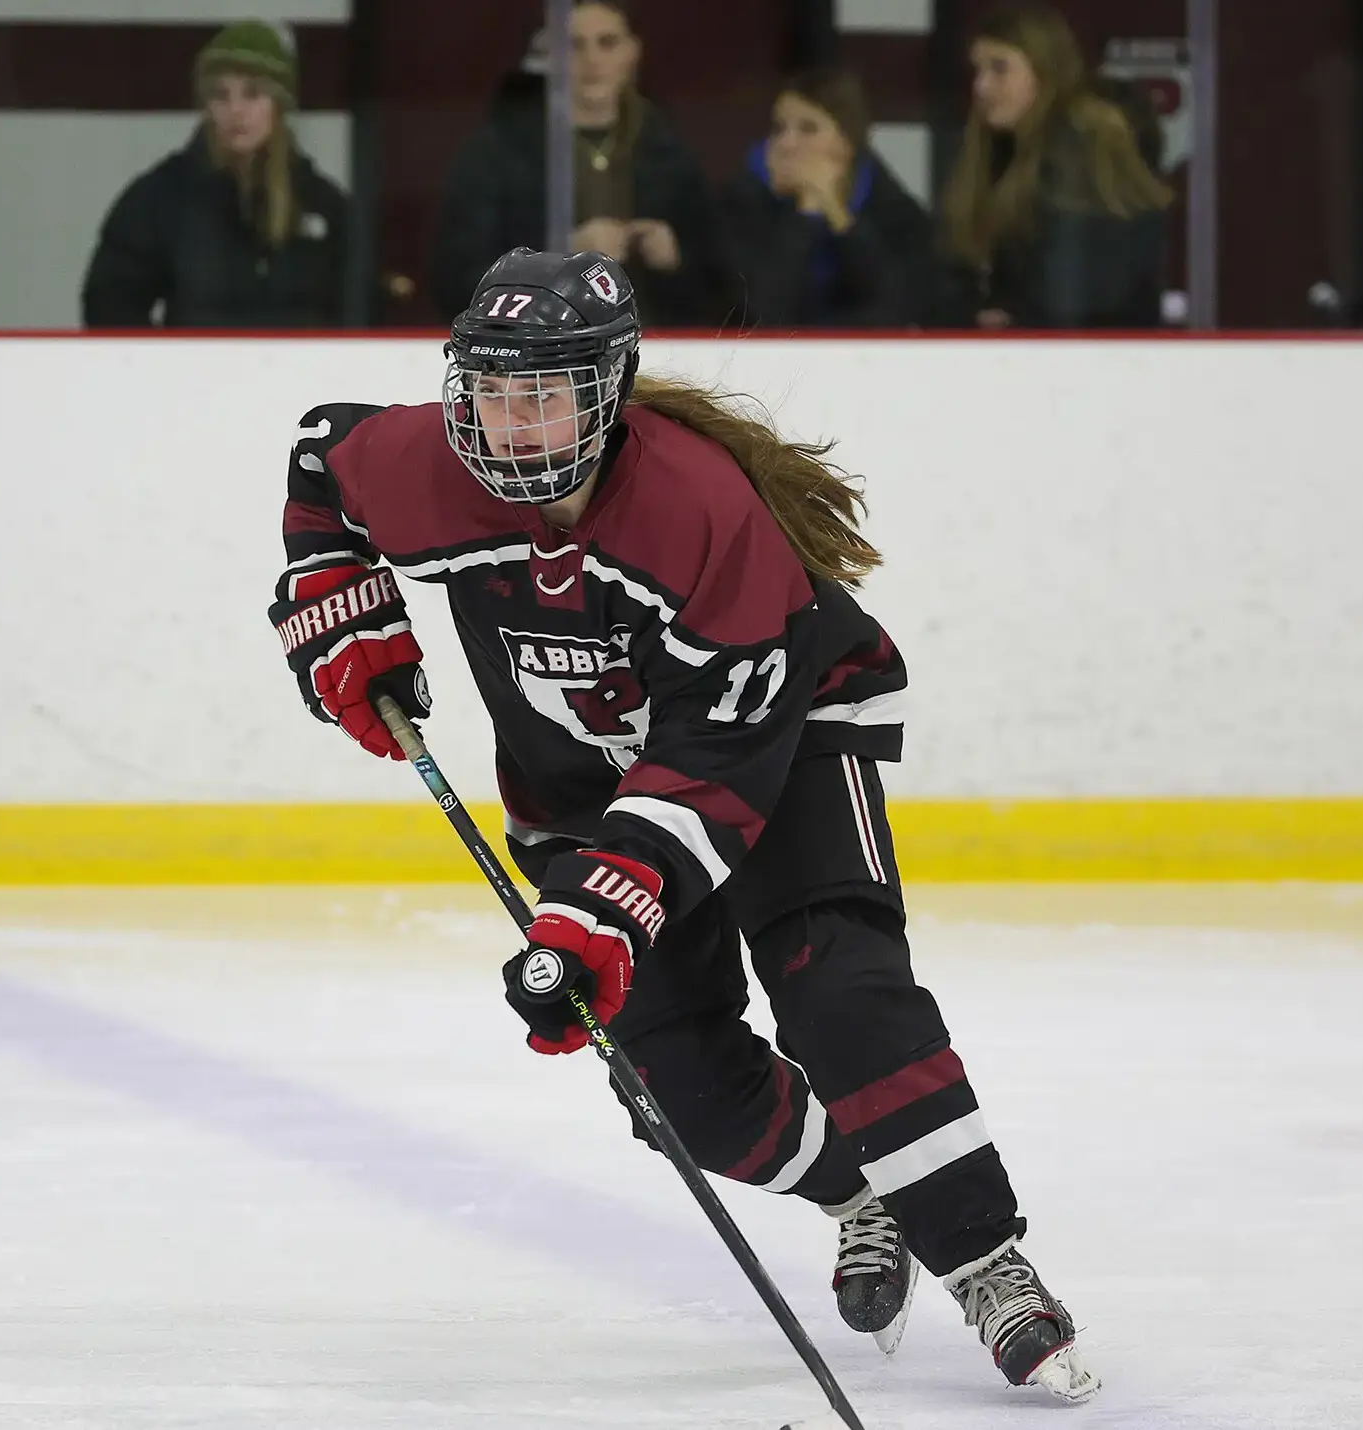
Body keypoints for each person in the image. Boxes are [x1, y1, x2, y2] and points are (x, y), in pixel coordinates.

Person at [266, 247, 1099, 1403]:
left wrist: (603, 910)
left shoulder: (698, 510)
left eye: (543, 392)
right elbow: (322, 454)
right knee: (673, 1085)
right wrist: (337, 597)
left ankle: (984, 1259)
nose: (511, 422)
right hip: (587, 792)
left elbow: (711, 762)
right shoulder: (427, 469)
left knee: (842, 994)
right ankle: (863, 1192)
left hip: (785, 735)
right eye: (492, 388)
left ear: (606, 392)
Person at [431, 1, 721, 326]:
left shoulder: (671, 157)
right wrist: (556, 255)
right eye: (574, 45)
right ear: (550, 55)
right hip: (536, 352)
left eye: (607, 43)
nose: (592, 60)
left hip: (651, 349)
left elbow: (722, 289)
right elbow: (455, 281)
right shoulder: (496, 153)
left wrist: (674, 260)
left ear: (633, 52)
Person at [82, 21, 349, 328]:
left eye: (252, 93)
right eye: (221, 95)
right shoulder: (163, 198)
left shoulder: (322, 204)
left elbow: (363, 308)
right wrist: (160, 369)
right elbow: (110, 302)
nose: (235, 110)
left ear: (279, 104)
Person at [932, 3, 1170, 330]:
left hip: (1095, 362)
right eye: (977, 70)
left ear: (1045, 70)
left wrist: (1010, 321)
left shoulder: (1081, 150)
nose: (981, 86)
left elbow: (1068, 302)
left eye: (999, 68)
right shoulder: (1000, 149)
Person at [716, 67, 935, 329]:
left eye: (808, 129)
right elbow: (760, 315)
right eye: (778, 129)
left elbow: (895, 309)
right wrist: (806, 214)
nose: (786, 144)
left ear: (847, 143)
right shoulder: (741, 205)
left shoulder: (894, 211)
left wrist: (838, 216)